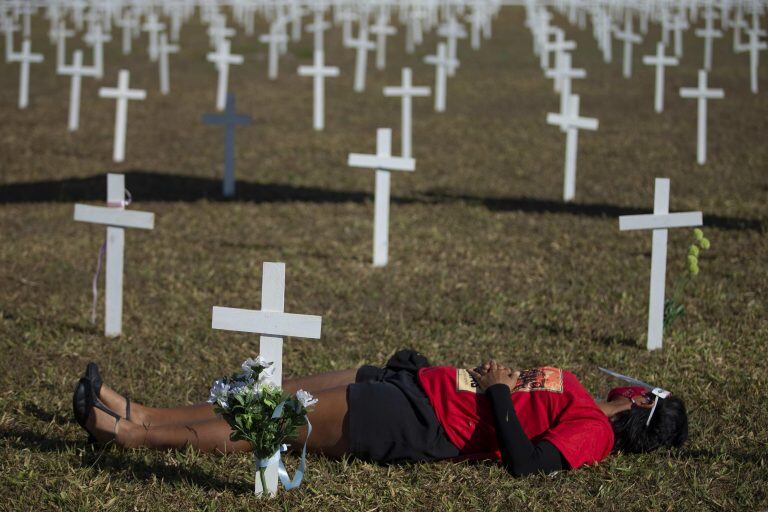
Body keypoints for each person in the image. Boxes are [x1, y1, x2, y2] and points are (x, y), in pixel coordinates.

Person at [73, 349, 688, 477]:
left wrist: (498, 391)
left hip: (421, 424)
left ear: (643, 404)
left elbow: (526, 463)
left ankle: (128, 437)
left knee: (285, 420)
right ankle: (145, 411)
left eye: (644, 388)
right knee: (278, 391)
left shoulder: (594, 434)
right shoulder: (582, 398)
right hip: (418, 385)